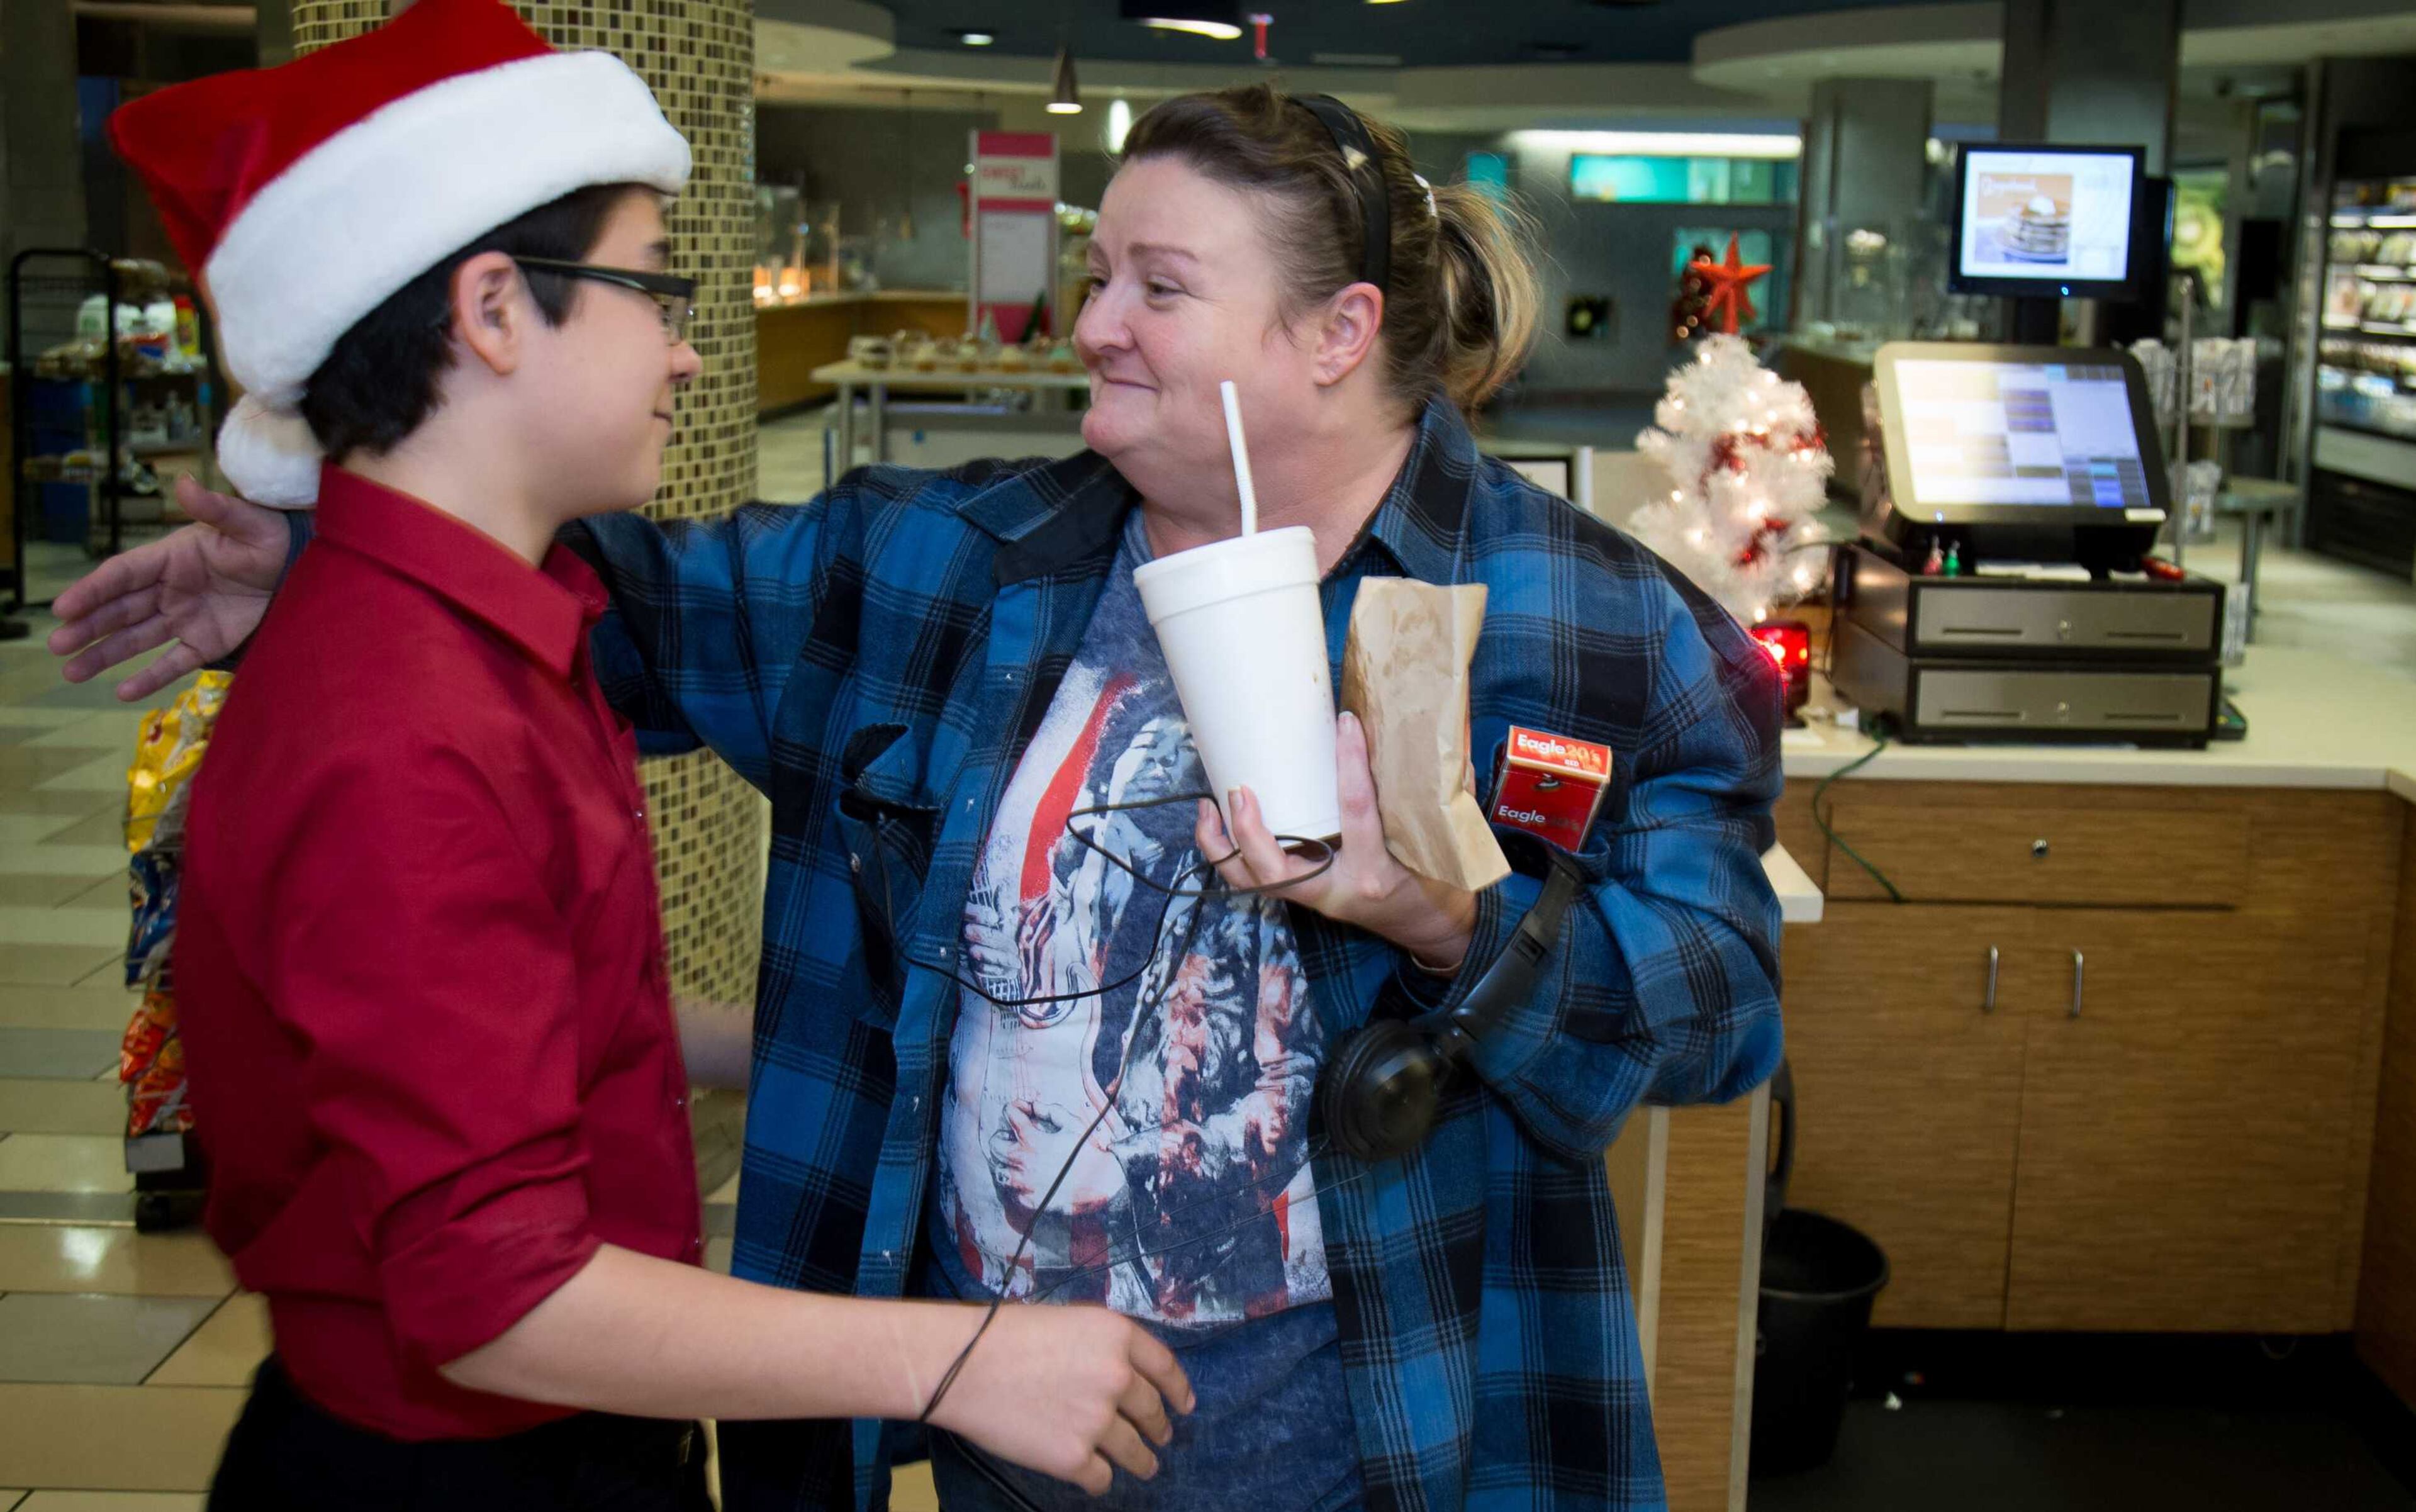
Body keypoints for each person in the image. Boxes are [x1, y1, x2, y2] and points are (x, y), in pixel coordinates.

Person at [56, 82, 1784, 1512]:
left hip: (1399, 1448)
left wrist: (1440, 915)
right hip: (1003, 1457)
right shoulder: (942, 569)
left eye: (1157, 288)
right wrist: (312, 559)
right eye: (1095, 270)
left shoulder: (1594, 628)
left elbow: (1724, 1005)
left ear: (1334, 335)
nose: (1089, 321)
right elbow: (600, 592)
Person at [90, 4, 1188, 1509]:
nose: (686, 350)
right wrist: (958, 1357)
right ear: (490, 310)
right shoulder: (401, 724)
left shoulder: (495, 628)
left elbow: (504, 1018)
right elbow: (496, 1294)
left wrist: (800, 1034)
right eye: (652, 289)